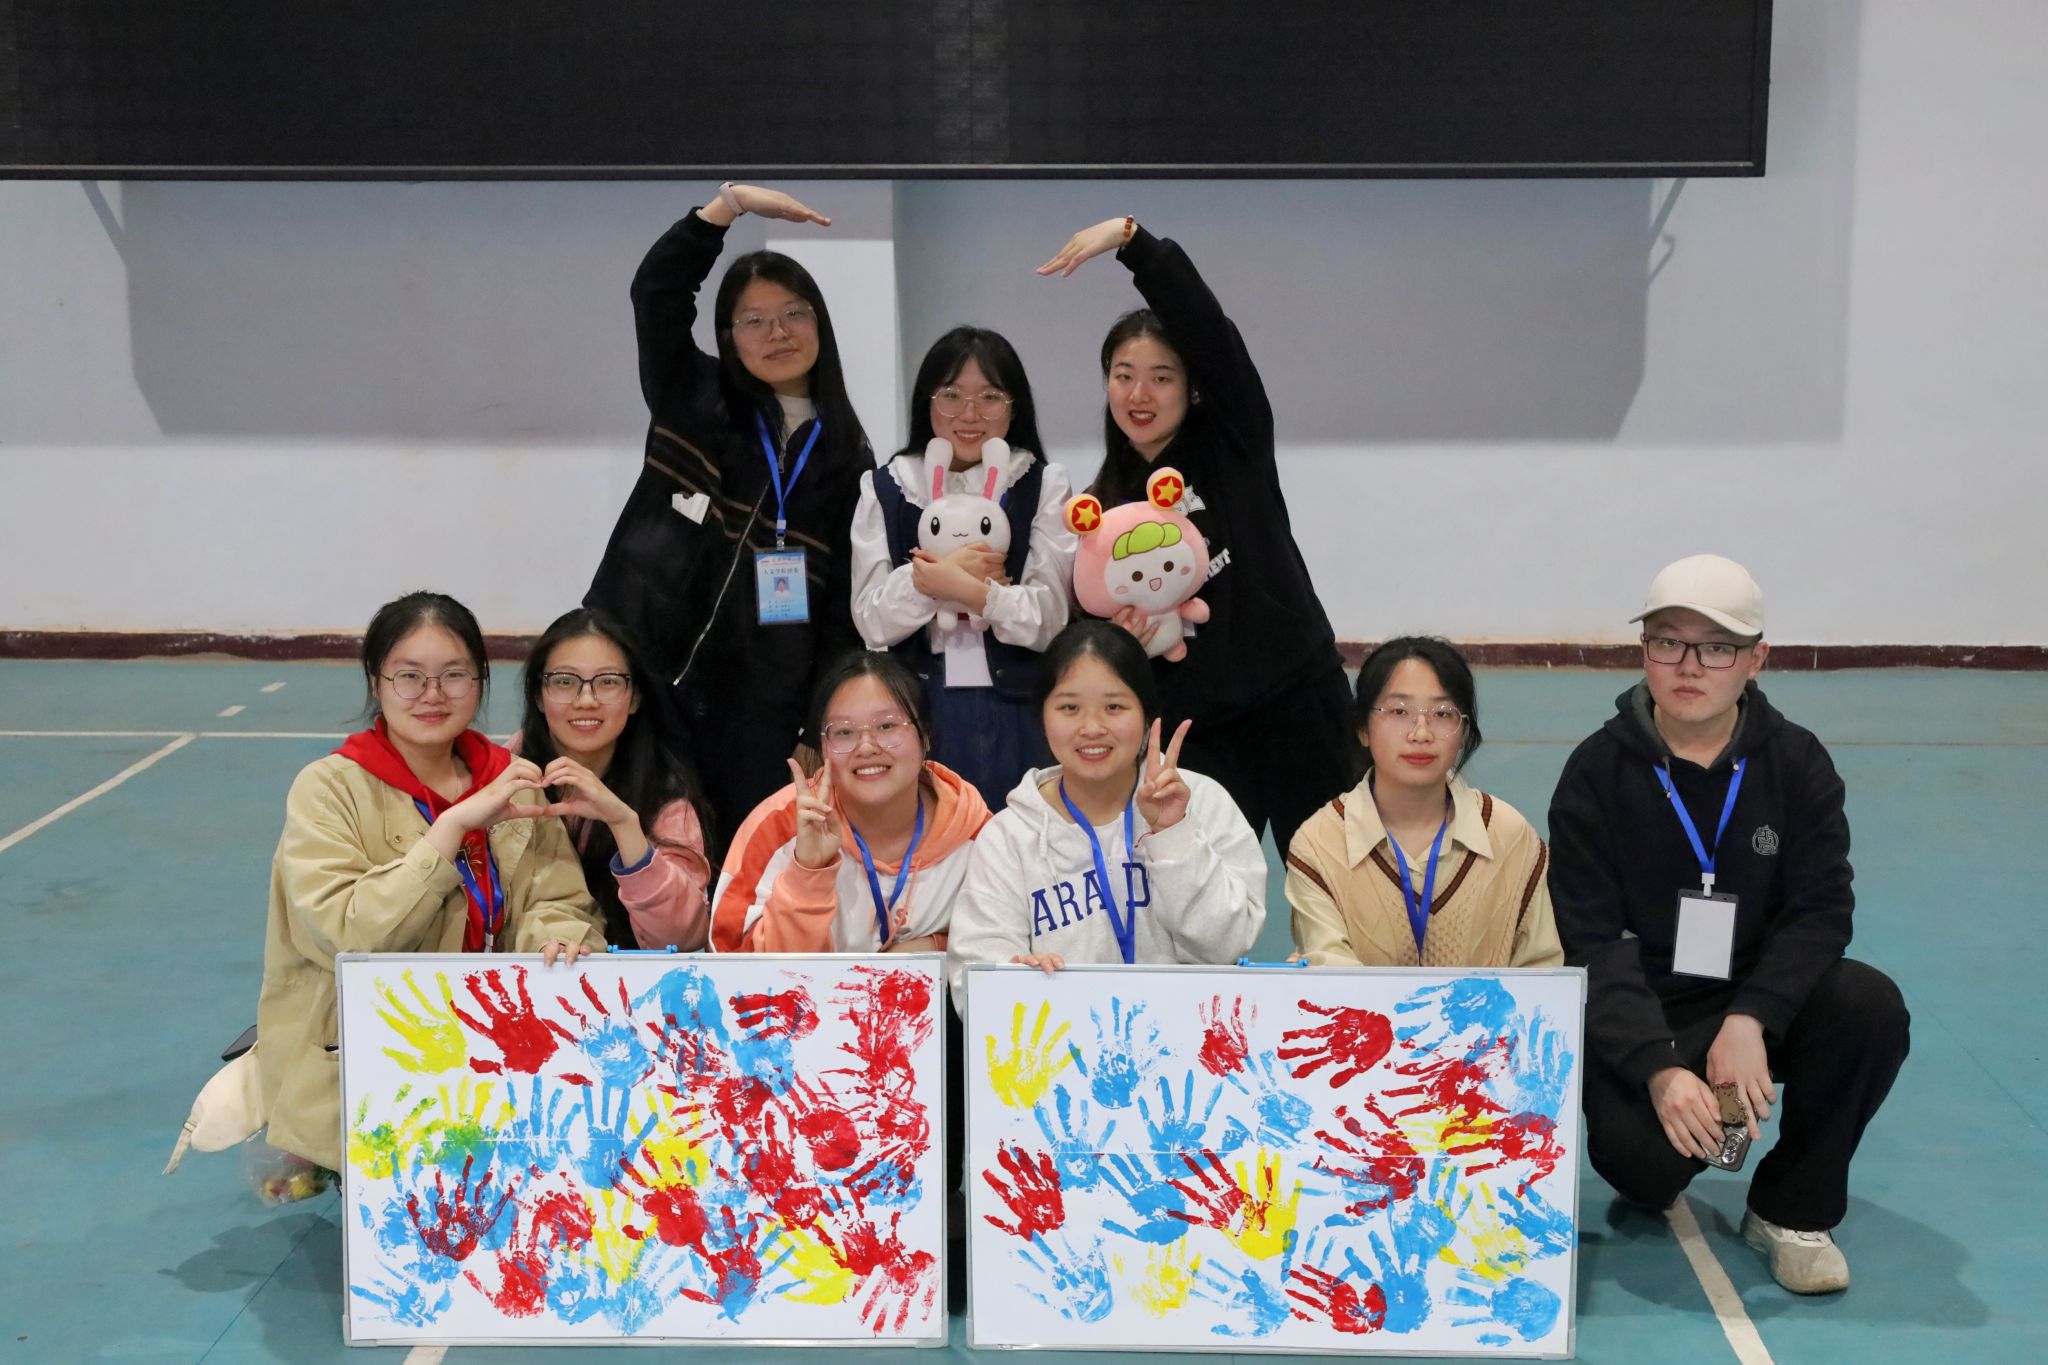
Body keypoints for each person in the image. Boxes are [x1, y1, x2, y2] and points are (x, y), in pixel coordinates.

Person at [1548, 554, 1909, 1295]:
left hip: (1754, 1001)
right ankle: (1712, 1115)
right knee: (1643, 1170)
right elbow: (1591, 942)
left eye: (1716, 647)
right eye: (1668, 642)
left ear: (1756, 659)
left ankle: (1790, 1209)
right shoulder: (1595, 773)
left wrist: (1753, 1016)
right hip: (1653, 1009)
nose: (1689, 666)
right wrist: (1657, 1067)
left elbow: (1821, 909)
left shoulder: (1796, 763)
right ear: (1644, 650)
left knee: (1867, 1006)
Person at [1036, 215, 1358, 853]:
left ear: (1193, 387)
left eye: (1162, 376)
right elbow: (1097, 630)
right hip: (1197, 732)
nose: (1140, 394)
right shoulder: (1102, 509)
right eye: (1123, 375)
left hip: (1299, 702)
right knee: (1202, 898)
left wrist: (1135, 243)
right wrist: (1120, 640)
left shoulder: (1233, 444)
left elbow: (1211, 334)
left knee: (1335, 885)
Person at [258, 592, 603, 1175]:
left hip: (494, 1061)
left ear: (480, 682)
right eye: (410, 676)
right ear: (376, 682)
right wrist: (450, 829)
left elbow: (556, 898)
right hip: (373, 1068)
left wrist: (559, 937)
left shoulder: (512, 782)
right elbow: (349, 935)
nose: (433, 694)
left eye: (454, 675)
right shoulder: (329, 790)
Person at [586, 181, 872, 841]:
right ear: (729, 335)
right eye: (754, 320)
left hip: (755, 714)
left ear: (820, 325)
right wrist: (727, 208)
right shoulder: (695, 394)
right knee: (619, 850)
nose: (778, 333)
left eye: (794, 313)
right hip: (634, 673)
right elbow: (656, 291)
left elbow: (841, 614)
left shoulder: (849, 458)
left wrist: (814, 725)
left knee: (736, 863)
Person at [947, 620, 1264, 1008]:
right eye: (1069, 708)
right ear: (1043, 716)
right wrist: (1012, 978)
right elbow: (975, 986)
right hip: (1061, 1040)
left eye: (1114, 707)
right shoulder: (1009, 836)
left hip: (1188, 1036)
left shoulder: (1201, 801)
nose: (1092, 728)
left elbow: (1227, 947)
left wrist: (1173, 833)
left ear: (1146, 715)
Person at [852, 325, 1077, 808]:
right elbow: (871, 619)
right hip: (917, 711)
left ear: (1014, 406)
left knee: (1024, 842)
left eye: (990, 397)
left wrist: (969, 591)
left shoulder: (1041, 483)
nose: (970, 414)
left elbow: (1051, 619)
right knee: (933, 846)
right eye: (951, 395)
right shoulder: (887, 487)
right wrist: (935, 580)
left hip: (1022, 705)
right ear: (927, 401)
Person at [1287, 636, 1560, 968]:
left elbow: (1543, 973)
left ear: (1464, 731)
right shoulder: (1319, 843)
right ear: (1363, 729)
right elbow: (1333, 983)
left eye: (1442, 714)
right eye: (1399, 711)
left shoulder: (1510, 836)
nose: (1421, 733)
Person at [710, 651, 992, 953]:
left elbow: (1005, 949)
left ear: (925, 736)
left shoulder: (979, 836)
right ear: (822, 747)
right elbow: (730, 962)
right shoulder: (779, 825)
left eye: (887, 726)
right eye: (844, 732)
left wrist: (938, 949)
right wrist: (806, 876)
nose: (866, 747)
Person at [516, 607, 713, 950]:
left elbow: (683, 940)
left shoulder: (665, 797)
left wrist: (624, 825)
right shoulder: (504, 774)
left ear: (634, 698)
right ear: (538, 696)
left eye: (607, 682)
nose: (586, 700)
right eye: (565, 682)